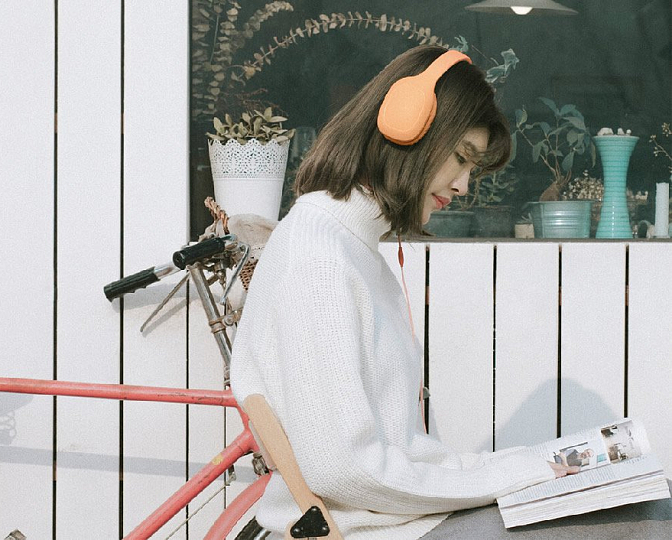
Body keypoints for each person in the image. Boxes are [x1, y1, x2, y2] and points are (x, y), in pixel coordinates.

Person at [230, 44, 576, 540]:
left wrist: (531, 464)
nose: (464, 186)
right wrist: (512, 475)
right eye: (461, 158)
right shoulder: (319, 255)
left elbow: (401, 451)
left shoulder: (351, 245)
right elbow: (343, 469)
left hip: (398, 521)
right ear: (405, 130)